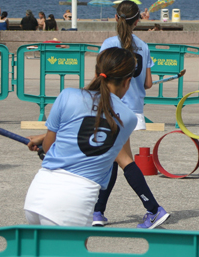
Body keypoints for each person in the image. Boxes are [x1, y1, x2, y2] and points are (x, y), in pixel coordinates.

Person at [24, 47, 138, 226]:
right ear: (127, 82)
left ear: (96, 72)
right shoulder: (129, 118)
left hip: (38, 192)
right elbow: (96, 133)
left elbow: (49, 147)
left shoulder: (67, 95)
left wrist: (43, 139)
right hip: (75, 201)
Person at [93, 0, 169, 229]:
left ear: (116, 18)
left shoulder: (108, 44)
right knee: (112, 160)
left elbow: (99, 78)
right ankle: (98, 212)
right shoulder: (143, 46)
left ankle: (154, 209)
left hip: (112, 107)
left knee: (123, 160)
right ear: (138, 21)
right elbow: (147, 83)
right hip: (133, 110)